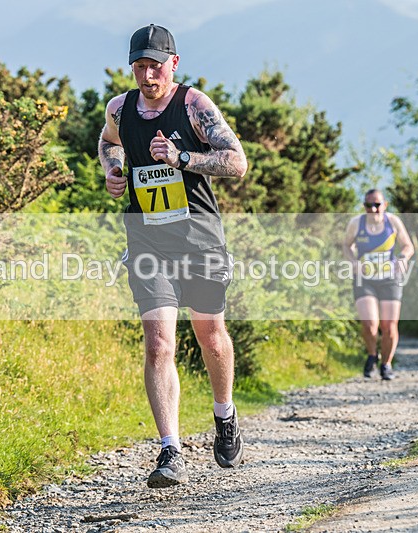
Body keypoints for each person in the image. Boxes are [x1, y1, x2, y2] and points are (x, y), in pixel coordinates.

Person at [98, 24, 248, 488]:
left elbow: (236, 162)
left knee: (210, 333)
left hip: (199, 238)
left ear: (174, 64)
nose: (147, 75)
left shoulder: (194, 105)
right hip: (147, 239)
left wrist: (184, 159)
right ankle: (170, 451)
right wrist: (114, 170)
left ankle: (224, 414)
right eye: (139, 66)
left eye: (155, 66)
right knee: (160, 343)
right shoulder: (120, 109)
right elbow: (107, 143)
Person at [342, 189, 414, 380]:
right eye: (368, 205)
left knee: (389, 326)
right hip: (365, 279)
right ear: (364, 206)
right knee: (370, 324)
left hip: (389, 278)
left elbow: (408, 246)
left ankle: (386, 364)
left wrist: (403, 258)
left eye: (377, 205)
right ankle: (372, 354)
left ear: (385, 205)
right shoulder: (357, 223)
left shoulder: (393, 222)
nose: (373, 209)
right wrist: (354, 262)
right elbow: (346, 245)